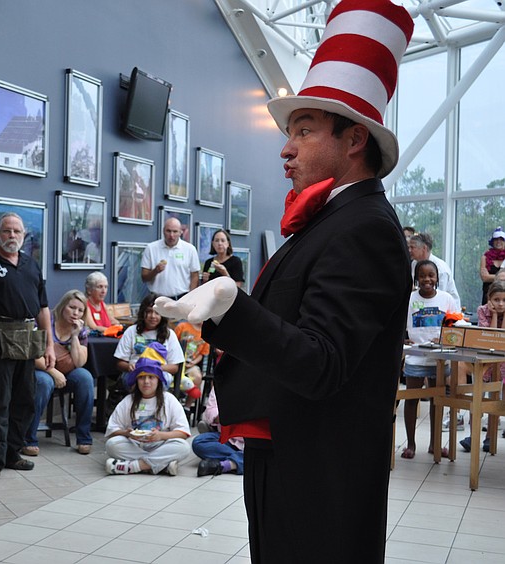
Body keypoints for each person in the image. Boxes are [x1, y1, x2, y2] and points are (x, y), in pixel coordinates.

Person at [155, 1, 414, 560]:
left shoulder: (363, 227)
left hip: (322, 480)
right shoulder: (332, 221)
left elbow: (322, 363)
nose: (286, 148)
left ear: (354, 140)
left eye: (304, 129)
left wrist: (230, 307)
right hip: (294, 459)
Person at [0, 212, 55, 485]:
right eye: (7, 231)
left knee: (24, 400)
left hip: (26, 341)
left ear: (24, 236)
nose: (12, 236)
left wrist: (49, 344)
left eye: (17, 231)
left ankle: (12, 453)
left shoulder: (31, 265)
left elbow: (42, 308)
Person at [23, 290, 95, 456]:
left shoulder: (81, 329)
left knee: (85, 378)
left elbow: (79, 362)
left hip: (68, 372)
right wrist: (53, 372)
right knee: (44, 382)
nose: (76, 313)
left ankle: (84, 438)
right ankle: (28, 439)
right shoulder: (47, 321)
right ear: (63, 306)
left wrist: (76, 336)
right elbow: (33, 355)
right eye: (72, 308)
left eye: (80, 310)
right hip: (42, 368)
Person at [402, 260, 457, 460]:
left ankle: (435, 444)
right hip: (415, 357)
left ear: (437, 278)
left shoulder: (446, 299)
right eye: (423, 275)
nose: (427, 279)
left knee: (437, 401)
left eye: (431, 275)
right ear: (417, 278)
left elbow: (454, 324)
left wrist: (444, 338)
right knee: (411, 399)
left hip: (440, 358)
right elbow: (399, 322)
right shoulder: (408, 299)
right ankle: (410, 444)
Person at [104, 358, 191, 476]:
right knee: (112, 444)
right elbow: (112, 430)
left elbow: (183, 432)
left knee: (183, 447)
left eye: (151, 377)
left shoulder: (169, 399)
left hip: (160, 444)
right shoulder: (128, 400)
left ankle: (133, 466)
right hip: (134, 445)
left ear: (158, 380)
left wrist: (161, 435)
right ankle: (162, 465)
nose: (146, 381)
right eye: (141, 377)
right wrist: (127, 433)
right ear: (136, 380)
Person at [459, 281, 505, 454]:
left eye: (504, 300)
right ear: (489, 299)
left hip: (502, 364)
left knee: (495, 402)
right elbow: (492, 337)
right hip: (485, 364)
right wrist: (494, 316)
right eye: (496, 299)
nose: (501, 304)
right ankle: (473, 435)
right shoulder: (482, 311)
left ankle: (490, 437)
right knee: (478, 398)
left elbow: (502, 338)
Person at [141, 217, 200, 300]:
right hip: (157, 299)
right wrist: (155, 271)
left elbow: (195, 275)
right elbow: (144, 277)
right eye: (168, 231)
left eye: (175, 231)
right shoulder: (151, 248)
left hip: (181, 298)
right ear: (163, 231)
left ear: (180, 232)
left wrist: (191, 297)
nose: (171, 235)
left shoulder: (190, 249)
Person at [193, 385, 244, 477]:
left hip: (254, 441)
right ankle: (241, 458)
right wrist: (222, 416)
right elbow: (210, 410)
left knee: (268, 454)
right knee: (199, 442)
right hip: (228, 437)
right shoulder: (223, 382)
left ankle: (227, 465)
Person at [408, 233, 461, 309]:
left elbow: (439, 297)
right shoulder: (414, 264)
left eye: (412, 247)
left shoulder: (441, 268)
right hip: (421, 307)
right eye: (408, 247)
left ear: (424, 248)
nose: (409, 250)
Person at [173, 319, 207, 407]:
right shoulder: (182, 326)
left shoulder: (206, 333)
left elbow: (202, 354)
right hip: (176, 361)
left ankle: (187, 406)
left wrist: (193, 363)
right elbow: (172, 343)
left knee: (198, 377)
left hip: (190, 364)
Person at [479, 227, 505, 305]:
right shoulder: (485, 257)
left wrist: (490, 277)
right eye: (496, 239)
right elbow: (484, 278)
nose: (498, 242)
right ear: (492, 242)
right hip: (488, 294)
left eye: (501, 239)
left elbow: (487, 277)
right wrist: (500, 277)